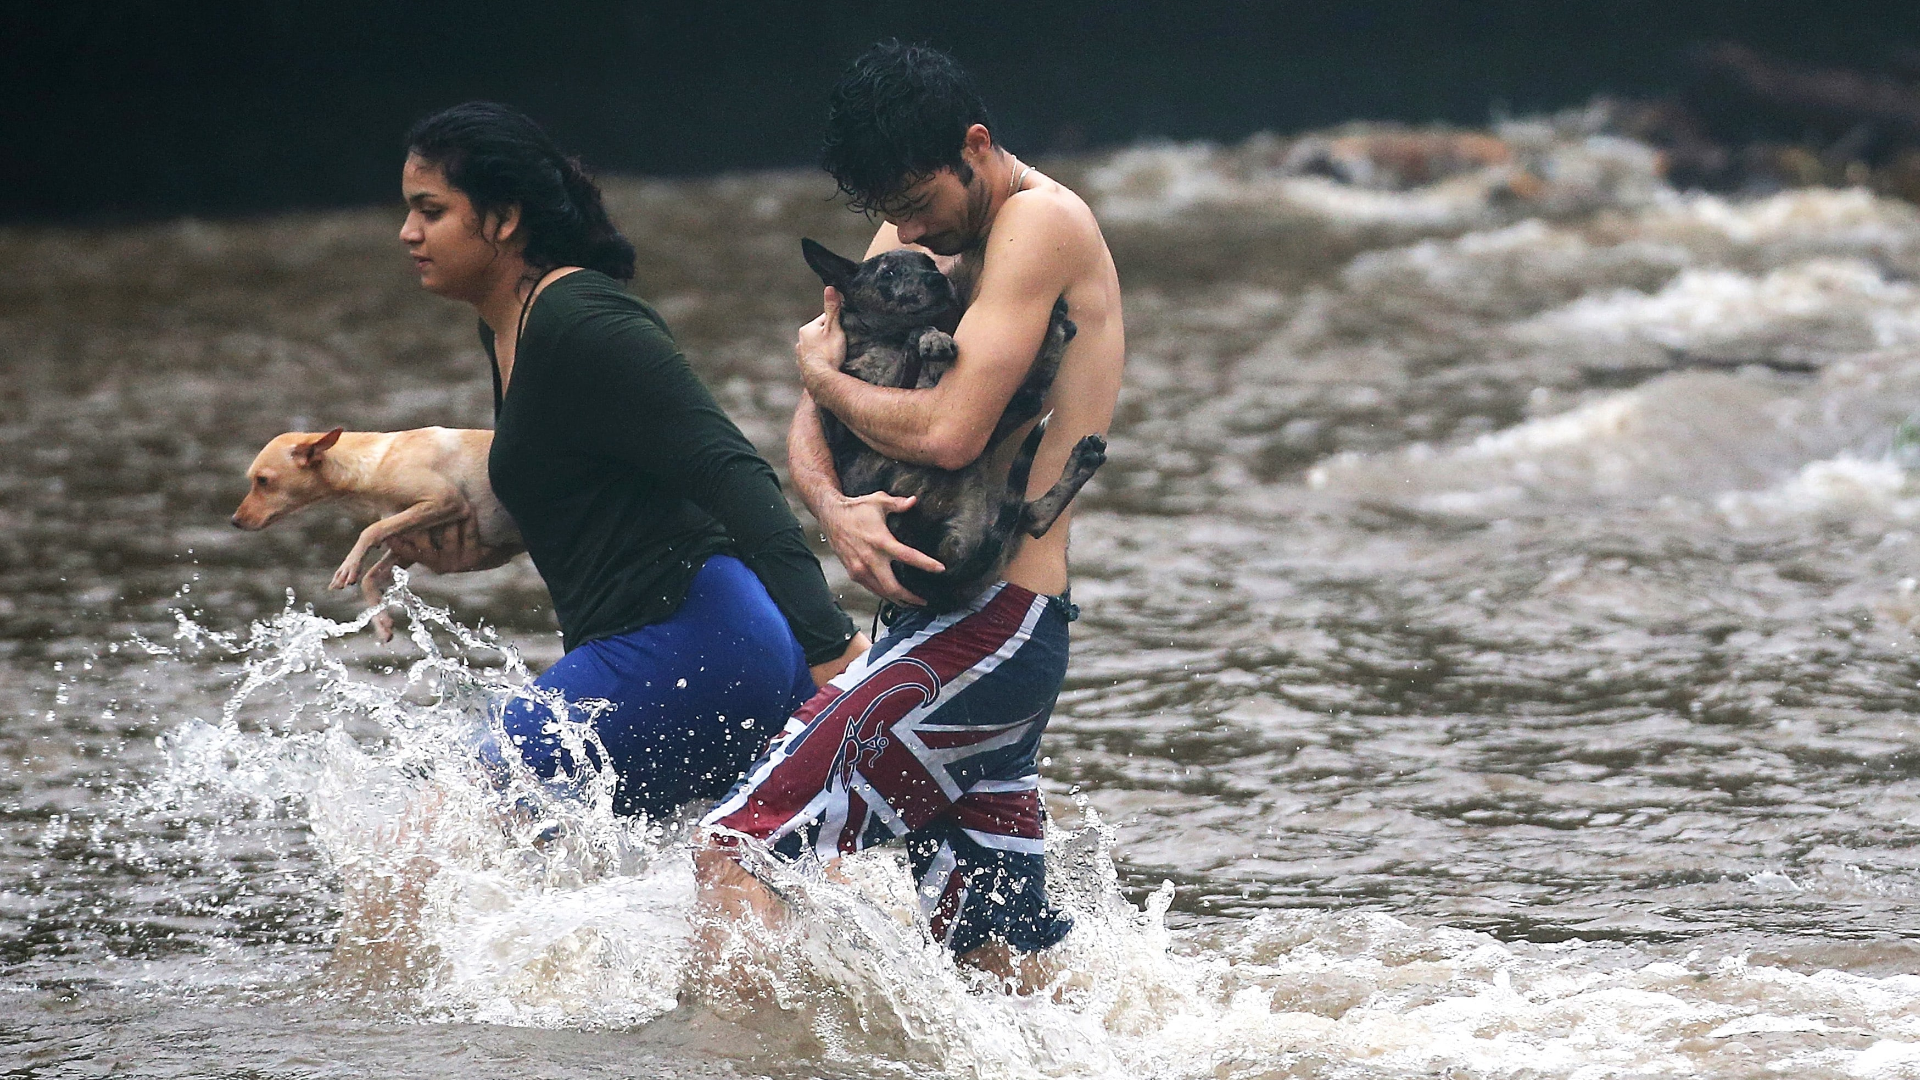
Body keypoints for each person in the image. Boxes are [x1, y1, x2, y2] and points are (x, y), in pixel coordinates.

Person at [697, 42, 1126, 983]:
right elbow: (819, 412)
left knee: (737, 847)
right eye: (891, 216)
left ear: (975, 147)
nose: (911, 234)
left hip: (994, 627)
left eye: (923, 206)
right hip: (943, 628)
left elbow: (946, 433)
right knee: (993, 966)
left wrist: (813, 367)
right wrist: (832, 508)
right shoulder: (909, 233)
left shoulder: (1040, 222)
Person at [385, 102, 869, 818]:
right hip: (696, 649)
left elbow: (732, 472)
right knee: (718, 896)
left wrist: (833, 649)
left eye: (432, 210)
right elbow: (600, 495)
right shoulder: (510, 330)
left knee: (437, 816)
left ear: (504, 217)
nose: (408, 233)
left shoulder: (583, 322)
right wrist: (479, 548)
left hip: (698, 641)